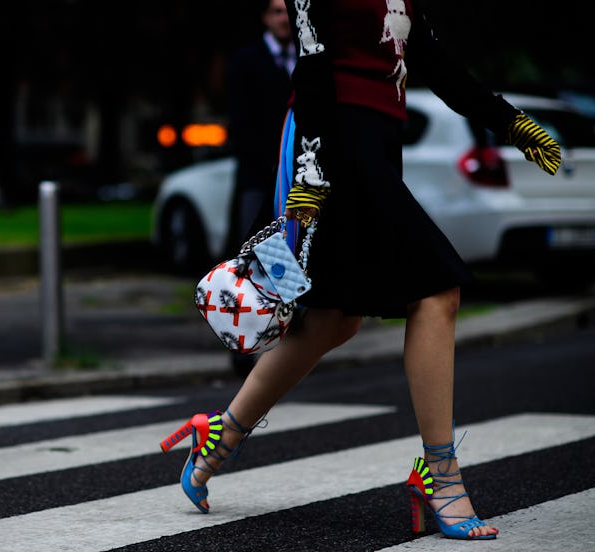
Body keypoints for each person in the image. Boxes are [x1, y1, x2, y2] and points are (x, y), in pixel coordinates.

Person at [160, 0, 561, 542]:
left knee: (331, 321)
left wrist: (509, 122)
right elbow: (314, 66)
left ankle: (220, 435)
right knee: (436, 291)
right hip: (331, 149)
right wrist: (310, 175)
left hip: (375, 146)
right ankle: (440, 476)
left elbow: (433, 61)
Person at [226, 0, 295, 252]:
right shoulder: (245, 61)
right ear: (265, 17)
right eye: (278, 12)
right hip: (258, 175)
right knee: (256, 248)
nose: (284, 19)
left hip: (295, 176)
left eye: (289, 12)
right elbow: (241, 122)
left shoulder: (305, 60)